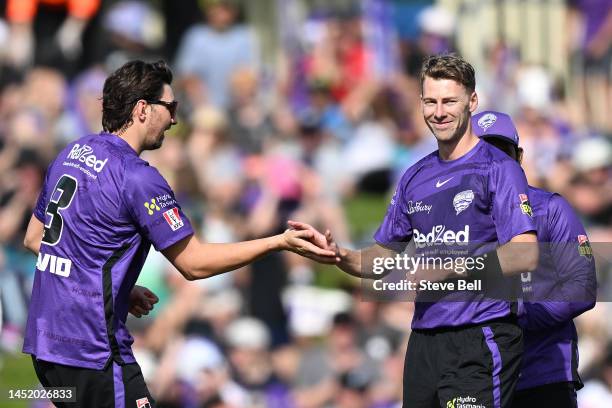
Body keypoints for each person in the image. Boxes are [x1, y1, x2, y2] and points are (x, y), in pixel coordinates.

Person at [21, 59, 336, 407]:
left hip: (46, 344)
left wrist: (116, 289)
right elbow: (194, 264)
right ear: (142, 109)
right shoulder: (137, 177)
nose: (174, 119)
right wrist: (280, 241)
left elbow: (35, 239)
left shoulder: (71, 153)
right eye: (170, 107)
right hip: (93, 349)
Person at [290, 54, 539, 408]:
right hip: (424, 341)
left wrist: (450, 267)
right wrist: (338, 255)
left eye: (450, 101)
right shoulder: (414, 176)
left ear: (472, 102)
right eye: (431, 101)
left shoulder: (499, 168)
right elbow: (381, 259)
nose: (439, 112)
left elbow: (525, 253)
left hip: (480, 334)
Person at [471, 110, 597, 408]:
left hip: (543, 374)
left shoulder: (551, 209)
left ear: (519, 156)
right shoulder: (455, 220)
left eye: (501, 153)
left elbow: (582, 287)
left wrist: (516, 314)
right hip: (477, 376)